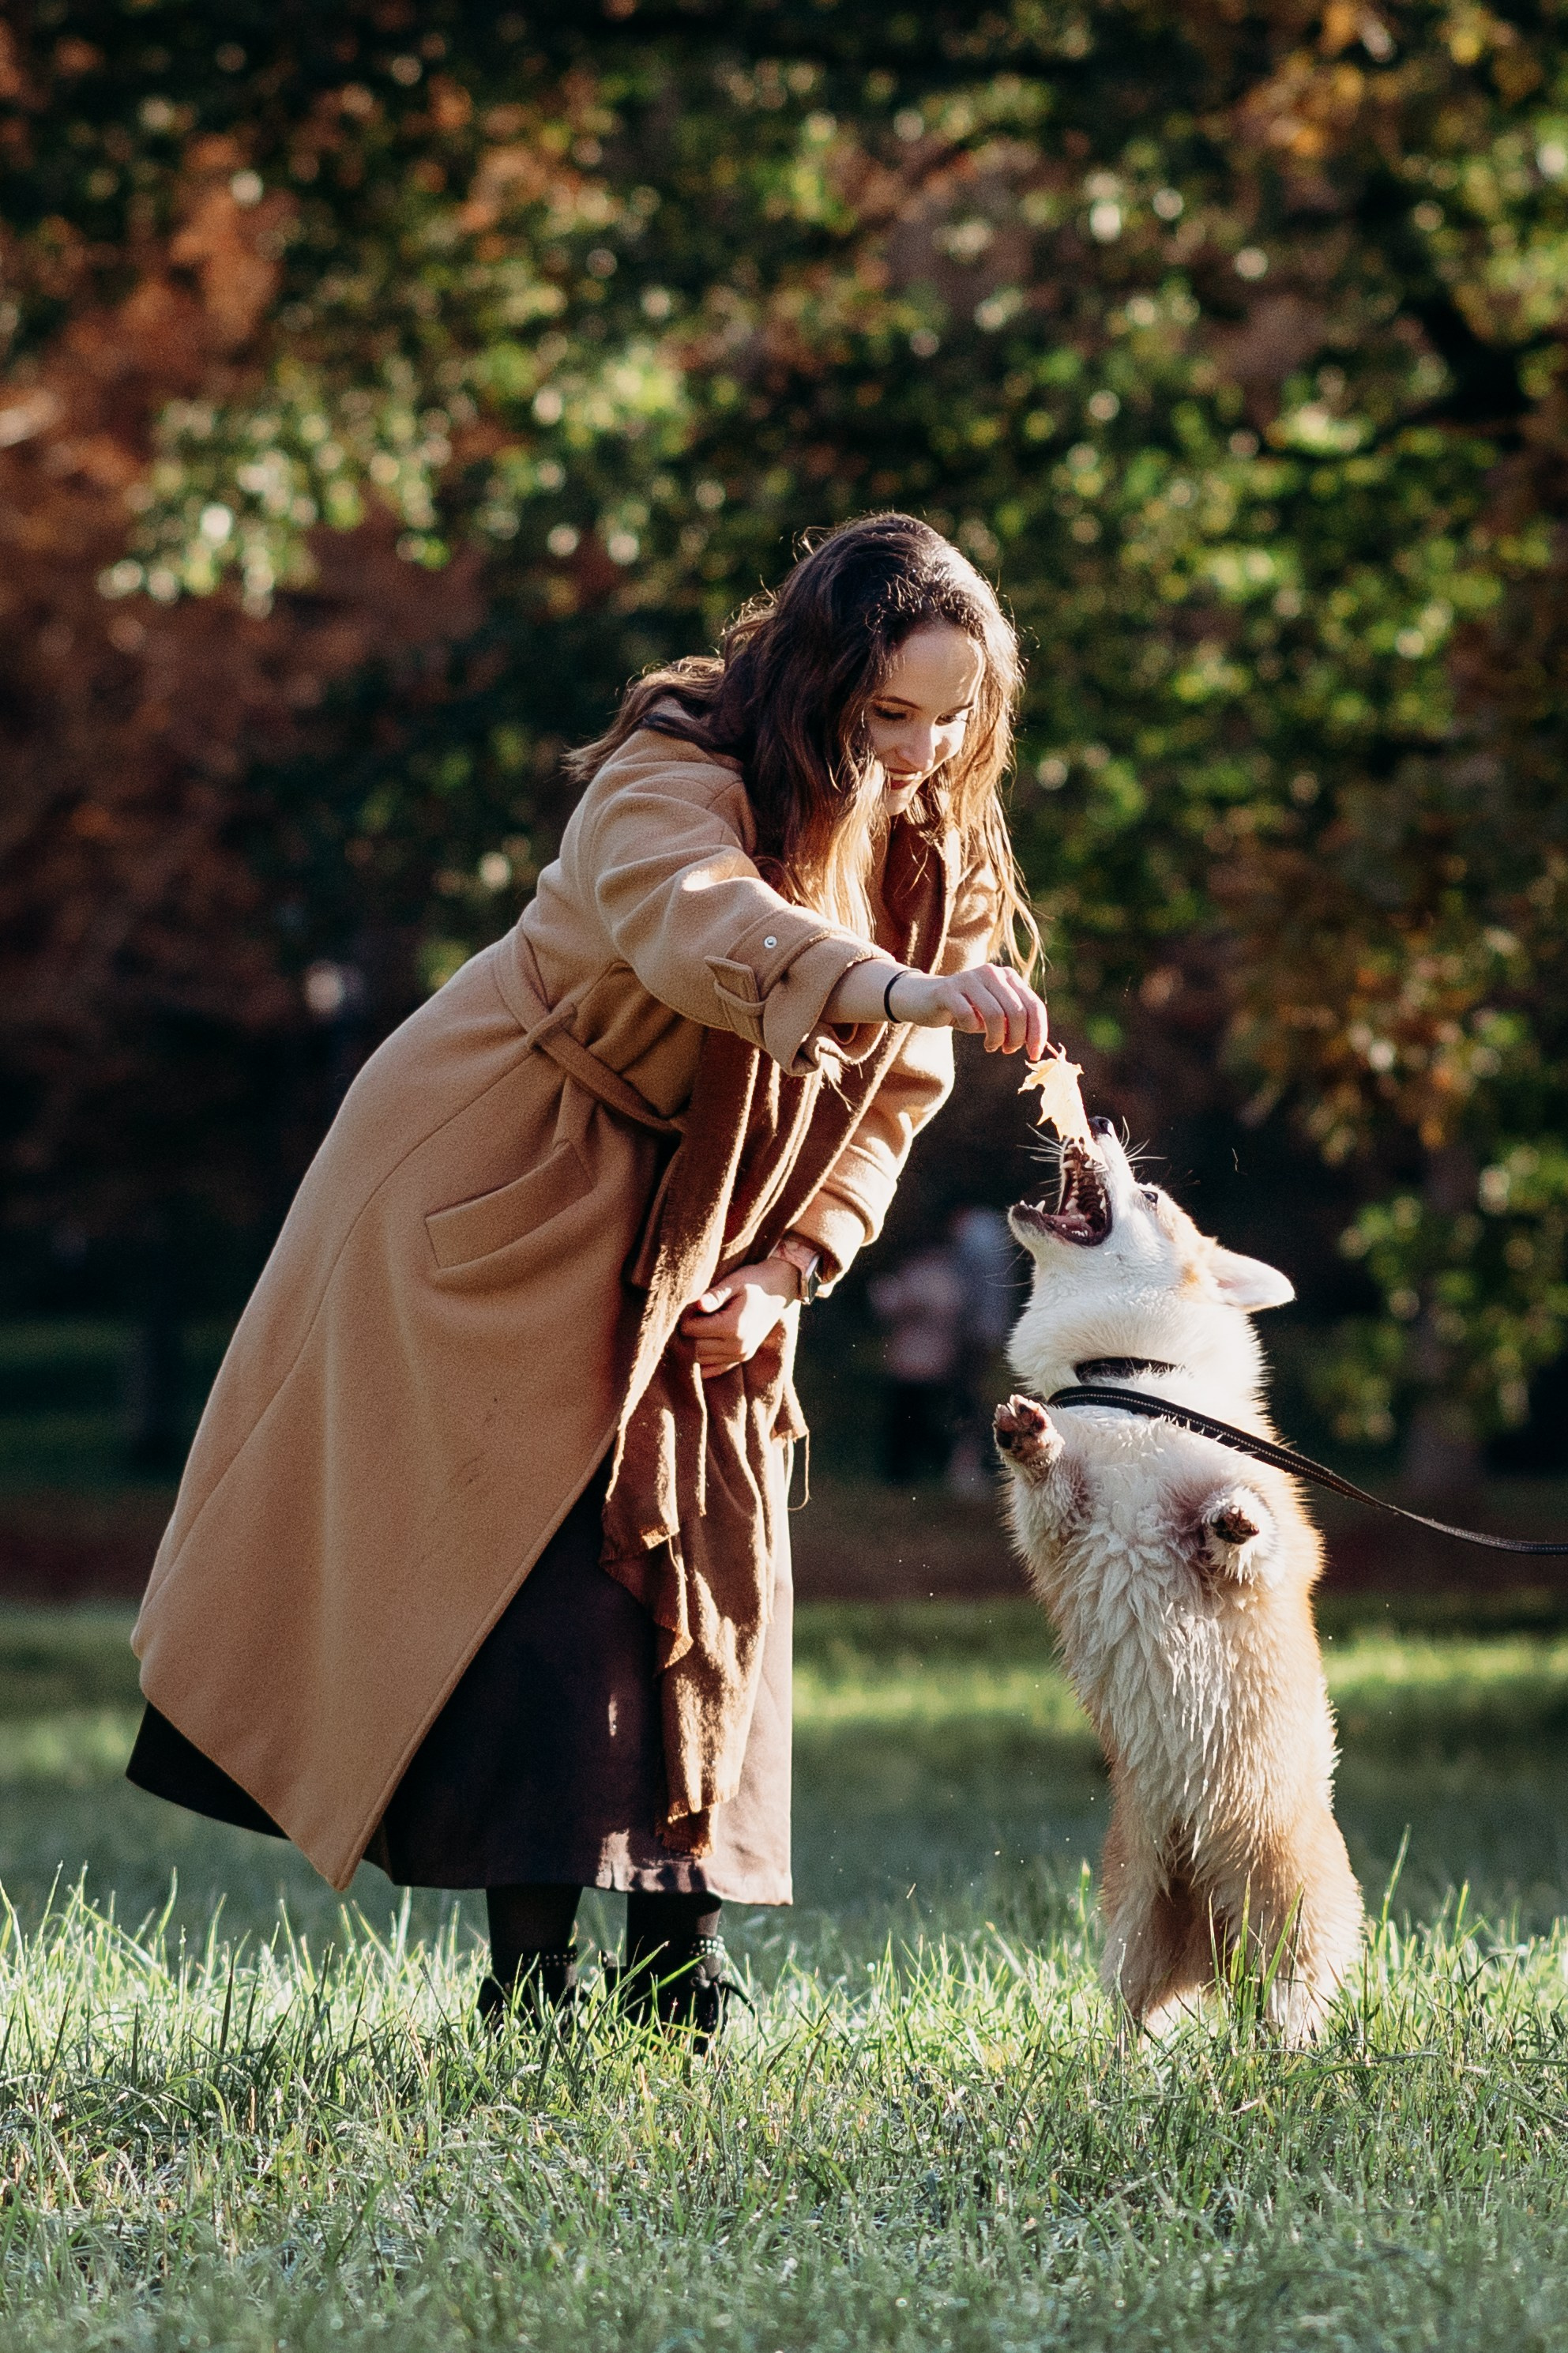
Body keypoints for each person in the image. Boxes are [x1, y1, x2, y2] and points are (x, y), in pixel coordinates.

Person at [125, 512, 1048, 2043]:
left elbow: (895, 1097)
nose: (918, 747)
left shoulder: (927, 837)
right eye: (888, 713)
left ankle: (678, 1965)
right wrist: (888, 984)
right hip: (508, 1170)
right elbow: (700, 926)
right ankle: (527, 1984)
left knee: (714, 1547)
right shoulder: (670, 769)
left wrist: (787, 1268)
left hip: (718, 1224)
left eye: (952, 717)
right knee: (545, 1576)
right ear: (819, 677)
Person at [868, 1241, 968, 1484]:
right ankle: (898, 1473)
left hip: (933, 1360)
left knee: (928, 1418)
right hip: (904, 1361)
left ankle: (934, 1467)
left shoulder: (946, 1277)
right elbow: (886, 1302)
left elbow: (949, 1308)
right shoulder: (907, 1273)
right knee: (901, 1420)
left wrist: (917, 1307)